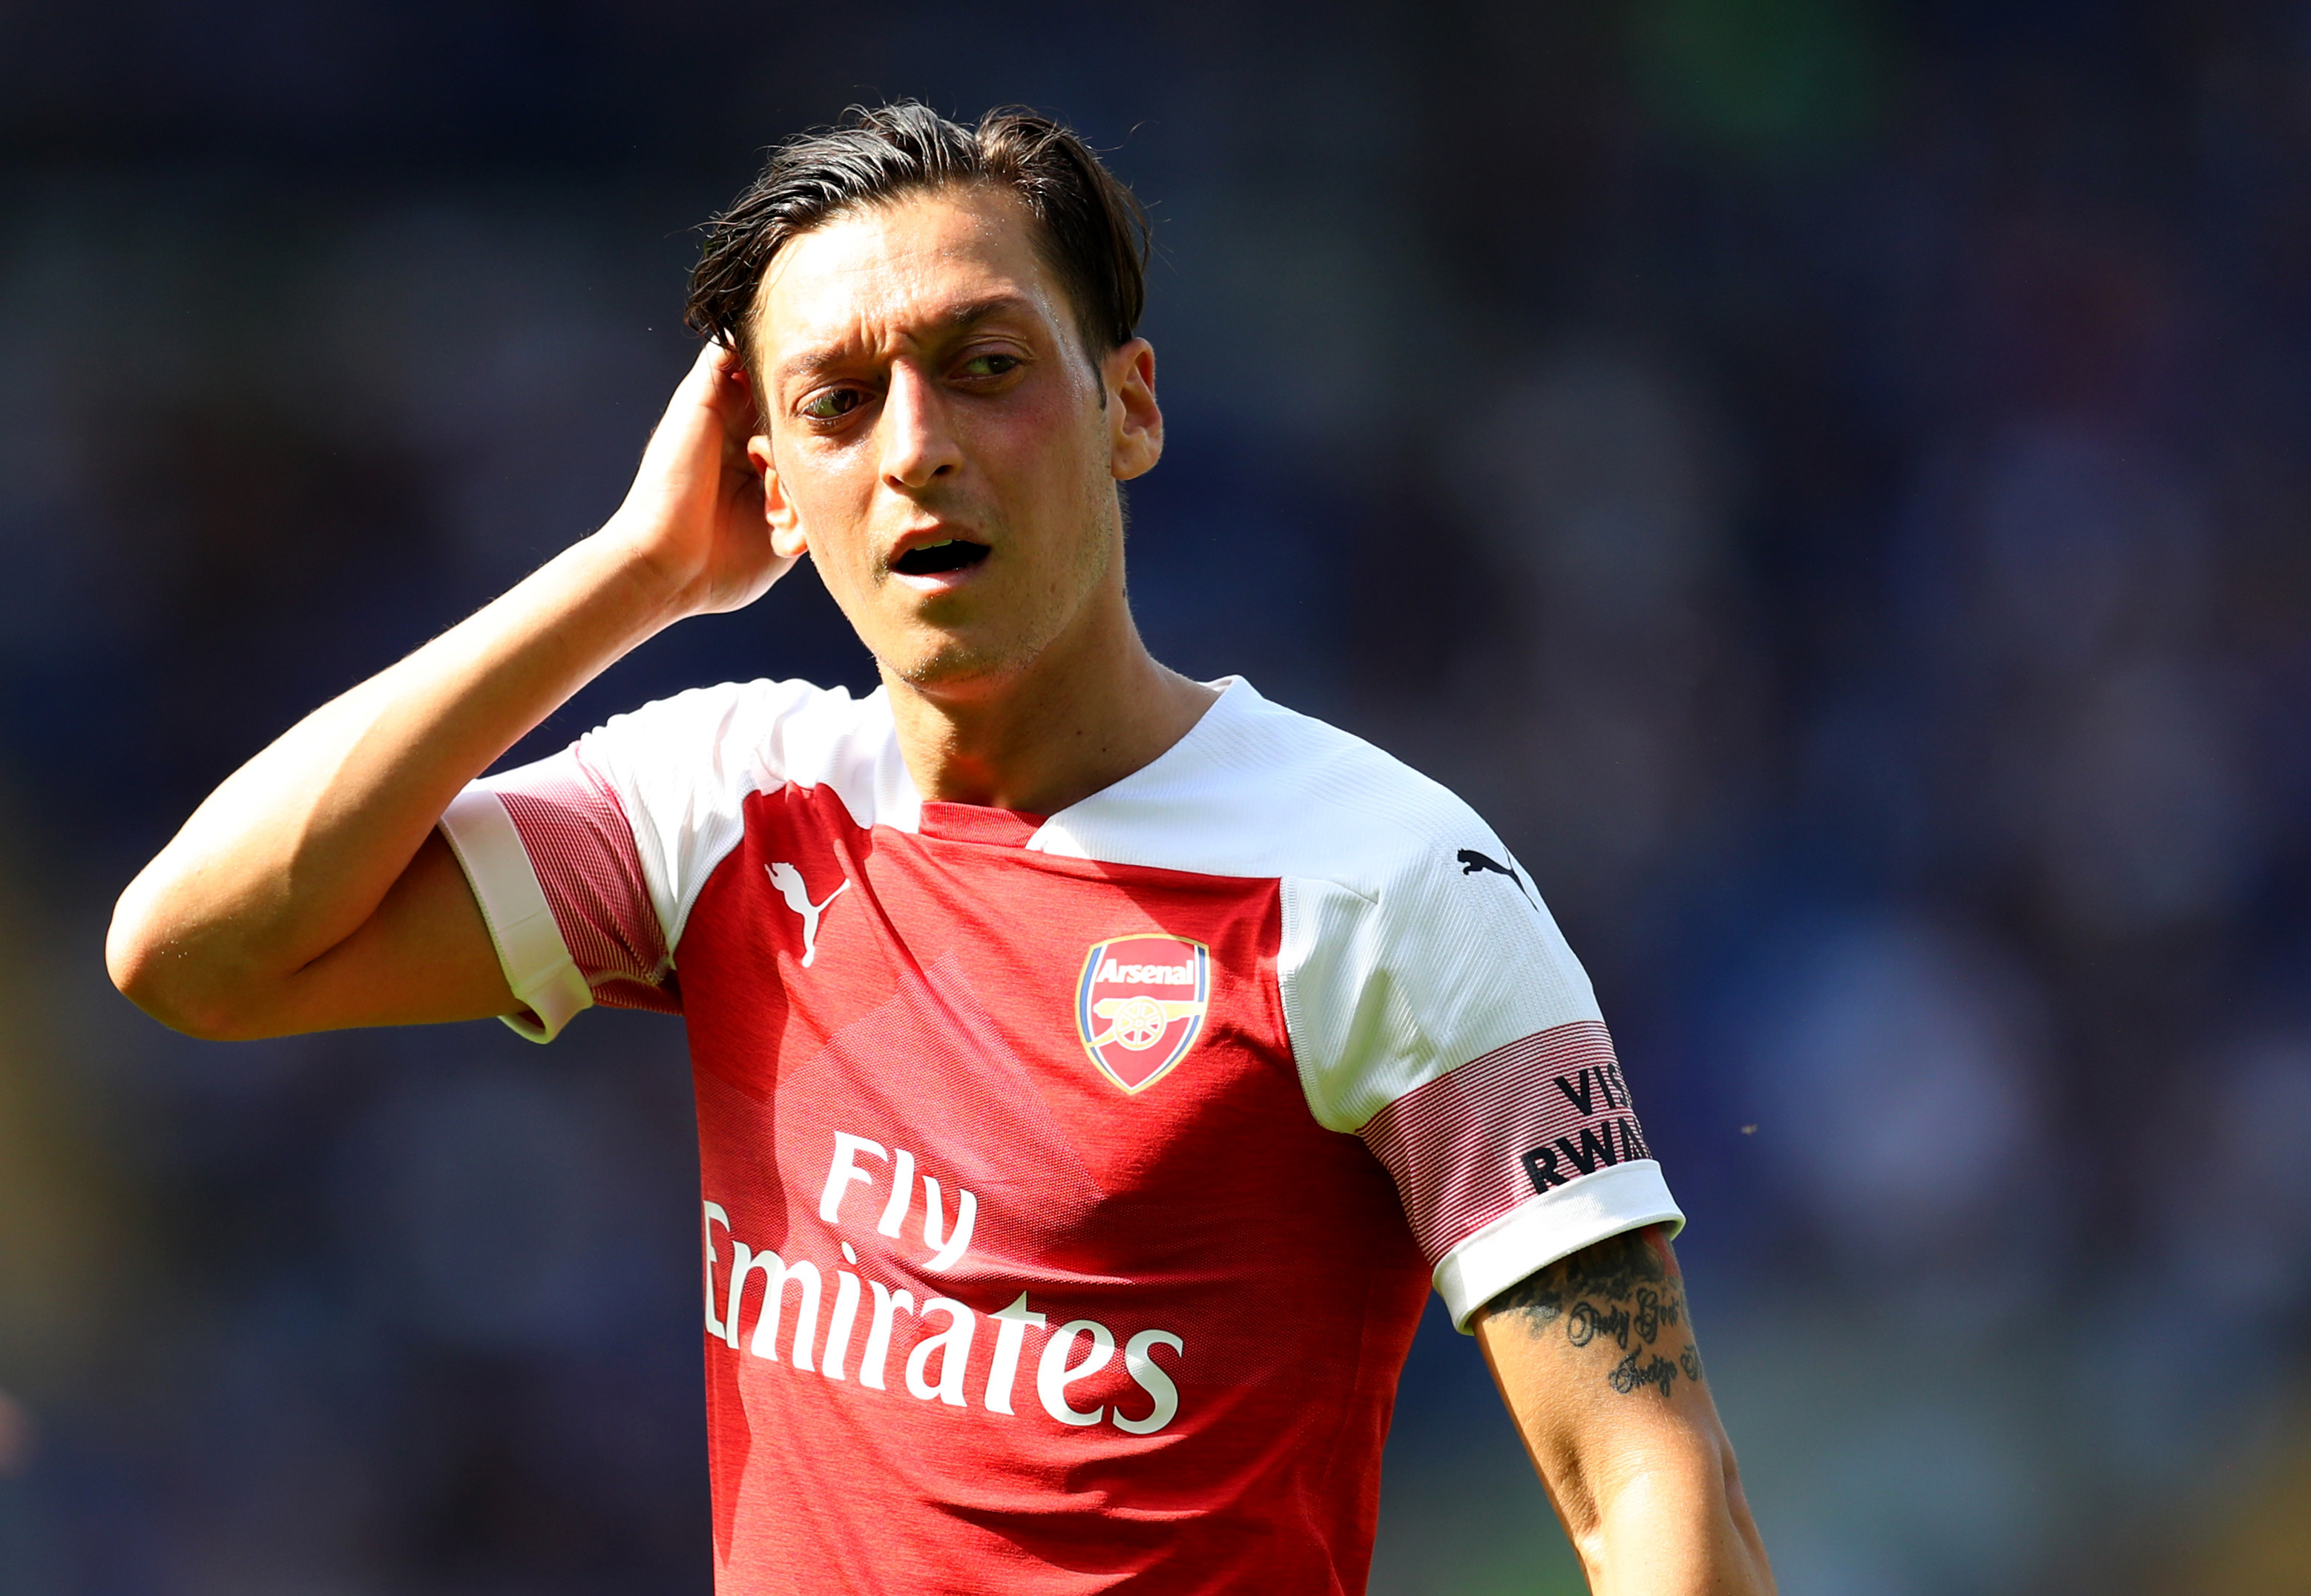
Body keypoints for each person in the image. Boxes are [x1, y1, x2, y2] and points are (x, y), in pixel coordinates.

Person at [106, 103, 1774, 1595]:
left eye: (984, 364)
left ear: (1128, 407)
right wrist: (635, 572)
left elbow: (1650, 1484)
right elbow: (196, 955)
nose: (914, 446)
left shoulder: (1385, 882)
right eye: (836, 403)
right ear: (771, 484)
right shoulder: (727, 798)